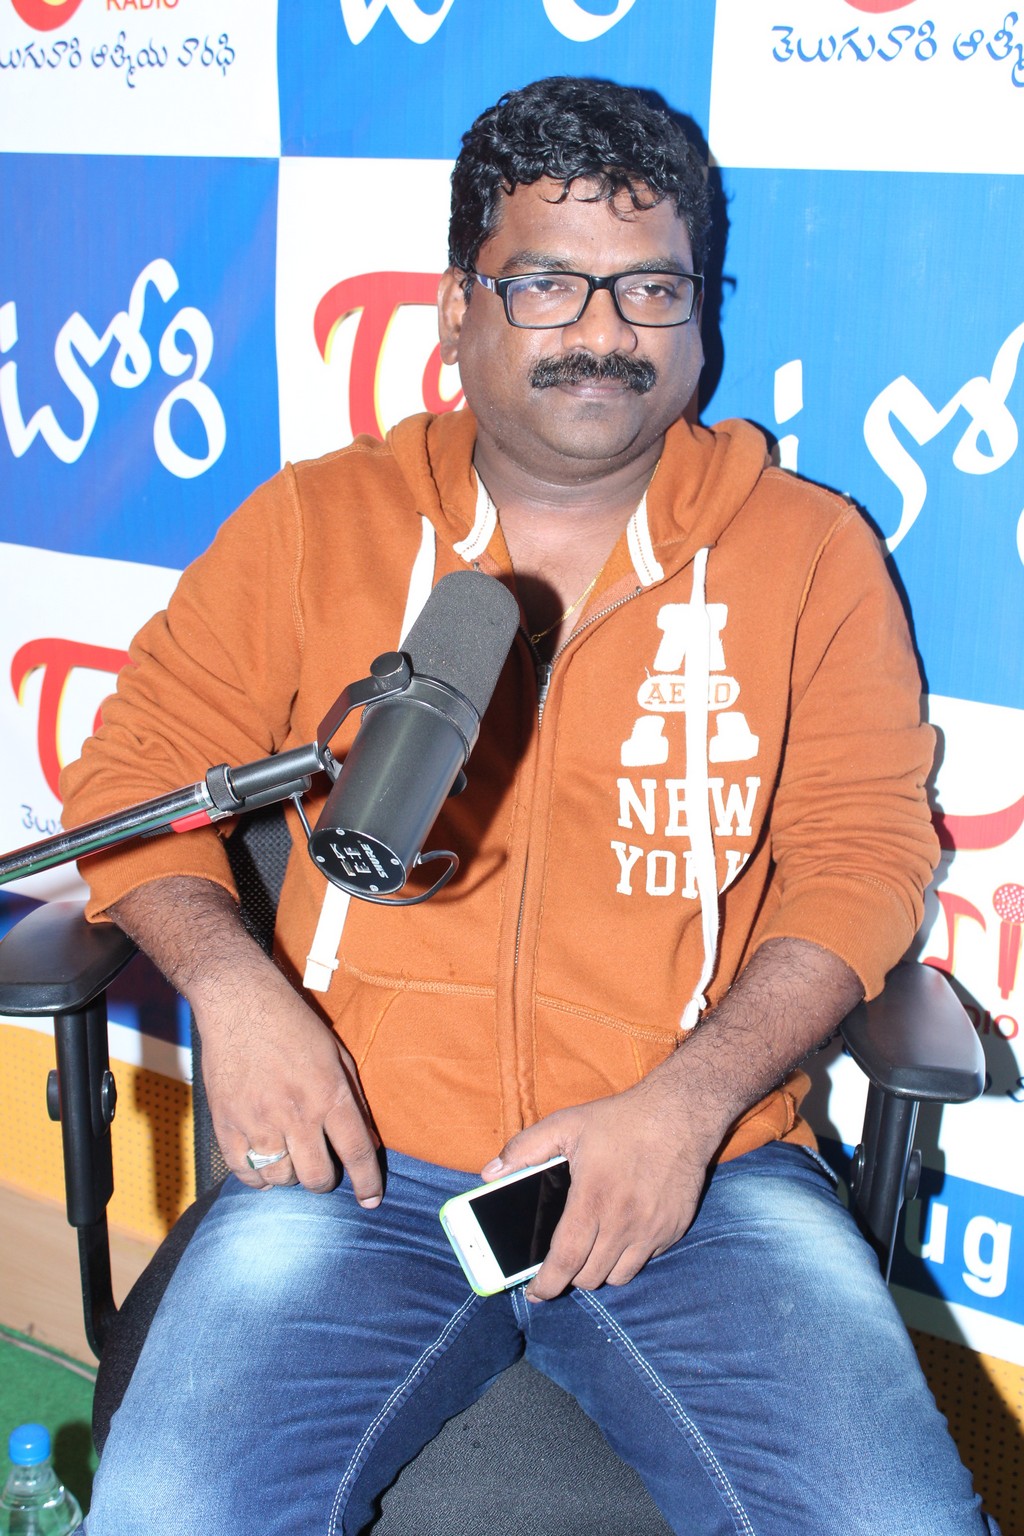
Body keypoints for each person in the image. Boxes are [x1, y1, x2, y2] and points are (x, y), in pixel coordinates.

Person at [60, 77, 997, 1536]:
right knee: (174, 1513)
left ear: (699, 317)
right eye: (548, 281)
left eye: (651, 288)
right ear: (458, 308)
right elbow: (137, 781)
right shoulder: (317, 523)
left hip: (703, 1172)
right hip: (355, 1158)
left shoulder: (810, 554)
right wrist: (237, 996)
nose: (603, 330)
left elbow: (860, 853)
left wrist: (685, 1110)